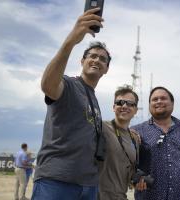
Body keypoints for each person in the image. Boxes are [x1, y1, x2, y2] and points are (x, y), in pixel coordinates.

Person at [32, 7, 111, 200]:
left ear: (106, 69)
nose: (97, 60)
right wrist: (71, 41)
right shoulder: (68, 84)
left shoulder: (94, 99)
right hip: (56, 181)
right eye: (92, 56)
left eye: (103, 59)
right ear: (82, 61)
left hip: (88, 184)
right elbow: (48, 86)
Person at [133, 86, 180, 200]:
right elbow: (125, 163)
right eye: (155, 99)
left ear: (172, 103)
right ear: (149, 105)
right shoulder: (136, 131)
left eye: (163, 98)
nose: (159, 101)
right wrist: (136, 177)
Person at [98, 85, 139, 200]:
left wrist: (138, 180)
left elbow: (129, 177)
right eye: (120, 102)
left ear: (136, 110)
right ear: (113, 107)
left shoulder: (135, 139)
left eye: (130, 103)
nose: (124, 106)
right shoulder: (99, 127)